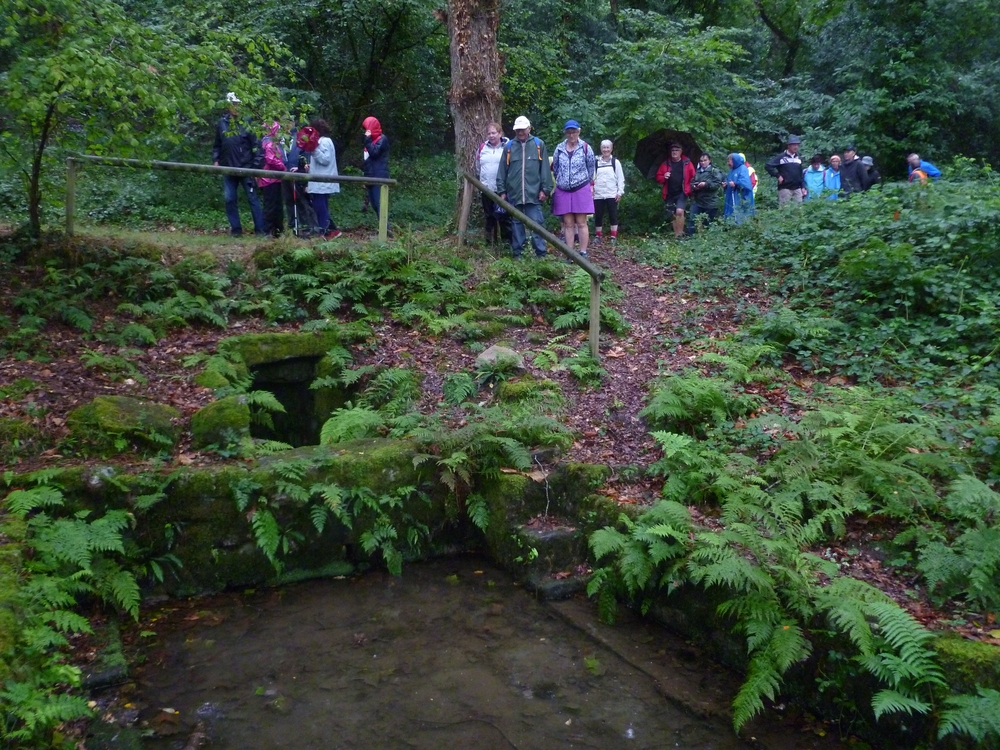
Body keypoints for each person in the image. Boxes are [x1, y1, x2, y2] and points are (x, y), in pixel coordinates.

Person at [496, 115, 552, 259]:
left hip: (533, 194)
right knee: (516, 225)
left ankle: (541, 254)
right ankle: (518, 255)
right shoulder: (509, 147)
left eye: (522, 129)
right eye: (517, 130)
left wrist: (545, 189)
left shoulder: (539, 145)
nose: (520, 132)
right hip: (514, 195)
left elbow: (545, 169)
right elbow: (502, 170)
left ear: (529, 128)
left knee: (537, 225)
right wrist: (501, 191)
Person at [212, 92, 265, 236]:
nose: (236, 107)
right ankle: (236, 230)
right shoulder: (222, 123)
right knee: (229, 199)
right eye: (233, 104)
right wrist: (216, 159)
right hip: (228, 167)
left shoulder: (248, 123)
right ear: (228, 106)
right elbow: (217, 144)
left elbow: (257, 147)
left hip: (247, 167)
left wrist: (256, 169)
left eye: (237, 104)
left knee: (253, 199)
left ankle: (260, 230)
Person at [551, 120, 596, 257]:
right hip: (563, 189)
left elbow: (591, 168)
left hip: (581, 188)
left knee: (581, 222)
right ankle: (570, 253)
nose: (571, 135)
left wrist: (585, 183)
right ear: (565, 133)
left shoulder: (586, 148)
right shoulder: (559, 148)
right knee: (568, 223)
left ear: (579, 131)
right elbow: (556, 168)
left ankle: (582, 252)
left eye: (574, 132)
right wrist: (563, 181)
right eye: (569, 132)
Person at [306, 119, 342, 239]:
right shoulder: (321, 141)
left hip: (322, 182)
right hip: (320, 181)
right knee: (320, 206)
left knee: (320, 206)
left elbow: (325, 160)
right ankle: (331, 231)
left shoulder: (325, 141)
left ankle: (327, 231)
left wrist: (313, 150)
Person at [476, 122, 511, 245]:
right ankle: (489, 243)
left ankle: (506, 245)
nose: (491, 136)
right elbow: (478, 166)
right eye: (489, 133)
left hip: (502, 189)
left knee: (504, 218)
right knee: (489, 217)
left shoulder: (507, 147)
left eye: (494, 133)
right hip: (486, 188)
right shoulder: (482, 148)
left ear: (500, 133)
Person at [282, 121, 318, 237]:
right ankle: (293, 227)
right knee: (289, 202)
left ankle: (308, 227)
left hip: (299, 175)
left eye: (287, 121)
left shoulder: (300, 138)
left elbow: (306, 157)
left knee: (302, 202)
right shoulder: (281, 139)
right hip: (285, 174)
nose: (285, 125)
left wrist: (301, 169)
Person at [655, 144, 695, 239]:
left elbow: (693, 177)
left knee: (679, 211)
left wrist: (689, 189)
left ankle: (680, 234)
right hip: (669, 193)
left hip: (682, 191)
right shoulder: (666, 163)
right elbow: (658, 177)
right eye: (673, 150)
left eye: (677, 150)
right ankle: (677, 235)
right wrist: (664, 177)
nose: (674, 152)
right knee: (672, 214)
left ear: (681, 151)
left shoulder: (687, 163)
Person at [592, 139, 625, 245]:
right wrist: (591, 190)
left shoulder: (615, 162)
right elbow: (592, 178)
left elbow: (620, 178)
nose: (605, 150)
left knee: (613, 215)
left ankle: (613, 236)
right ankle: (598, 236)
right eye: (604, 147)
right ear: (601, 149)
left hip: (612, 193)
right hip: (598, 194)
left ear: (611, 149)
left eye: (607, 147)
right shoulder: (596, 162)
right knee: (598, 215)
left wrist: (620, 192)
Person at [258, 121, 286, 237]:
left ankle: (277, 230)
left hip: (275, 179)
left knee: (277, 205)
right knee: (270, 205)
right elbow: (271, 160)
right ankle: (268, 231)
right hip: (269, 179)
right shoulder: (269, 143)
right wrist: (283, 167)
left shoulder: (273, 142)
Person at [362, 116, 390, 226]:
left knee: (379, 204)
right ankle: (384, 228)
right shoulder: (369, 142)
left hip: (379, 176)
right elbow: (366, 162)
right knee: (374, 204)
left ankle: (386, 230)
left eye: (367, 128)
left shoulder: (382, 139)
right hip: (370, 176)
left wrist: (367, 140)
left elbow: (374, 153)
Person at [687, 152, 723, 234]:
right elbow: (692, 183)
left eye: (705, 160)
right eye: (701, 161)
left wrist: (706, 184)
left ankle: (707, 241)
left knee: (708, 223)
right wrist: (694, 187)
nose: (703, 162)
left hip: (710, 202)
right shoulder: (697, 172)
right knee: (692, 220)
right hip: (698, 200)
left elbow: (717, 184)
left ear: (709, 160)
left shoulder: (715, 171)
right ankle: (689, 239)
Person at [764, 135, 805, 206]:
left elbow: (800, 174)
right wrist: (778, 175)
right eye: (794, 145)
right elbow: (768, 166)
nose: (796, 147)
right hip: (785, 188)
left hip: (797, 188)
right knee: (784, 210)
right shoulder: (781, 157)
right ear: (788, 145)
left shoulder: (798, 158)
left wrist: (803, 187)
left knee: (798, 211)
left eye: (797, 145)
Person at [724, 153, 754, 223]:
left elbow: (746, 184)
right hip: (731, 197)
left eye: (729, 161)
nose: (728, 163)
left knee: (741, 215)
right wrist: (726, 185)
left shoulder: (743, 169)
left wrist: (736, 184)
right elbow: (729, 181)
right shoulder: (731, 171)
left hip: (741, 197)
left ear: (734, 160)